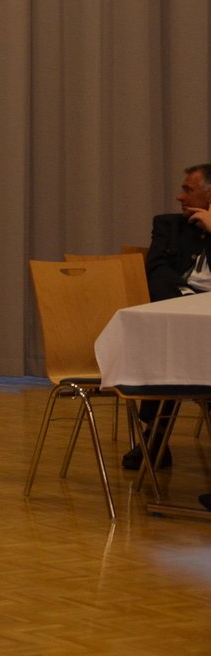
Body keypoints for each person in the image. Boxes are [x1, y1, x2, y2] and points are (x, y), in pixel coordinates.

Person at [129, 163, 211, 473]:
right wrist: (185, 299)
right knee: (165, 339)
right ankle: (156, 433)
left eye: (188, 189)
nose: (179, 196)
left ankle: (156, 435)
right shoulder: (168, 225)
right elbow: (156, 270)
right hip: (178, 306)